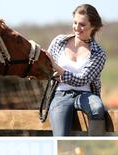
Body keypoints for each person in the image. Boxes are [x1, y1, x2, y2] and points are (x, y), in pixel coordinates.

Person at [45, 4, 106, 136]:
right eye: (75, 23)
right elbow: (46, 67)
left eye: (82, 25)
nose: (77, 28)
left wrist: (57, 68)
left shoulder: (98, 54)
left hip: (85, 94)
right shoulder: (58, 42)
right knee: (61, 136)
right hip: (61, 94)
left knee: (98, 108)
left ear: (93, 27)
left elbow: (81, 80)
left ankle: (96, 145)